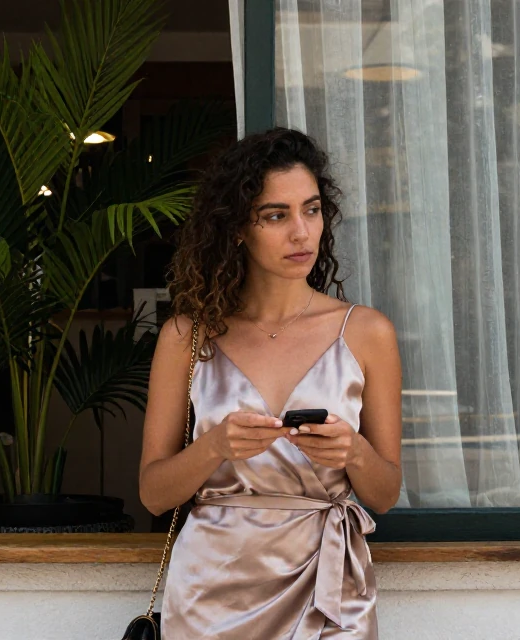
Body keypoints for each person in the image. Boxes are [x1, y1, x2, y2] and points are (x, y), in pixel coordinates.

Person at [139, 128, 404, 639]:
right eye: (276, 216)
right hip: (211, 596)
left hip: (329, 588)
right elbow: (153, 494)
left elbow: (386, 493)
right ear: (237, 227)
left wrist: (352, 452)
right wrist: (214, 445)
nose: (302, 233)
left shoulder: (367, 332)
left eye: (311, 210)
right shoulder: (185, 337)